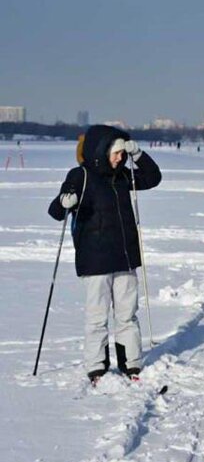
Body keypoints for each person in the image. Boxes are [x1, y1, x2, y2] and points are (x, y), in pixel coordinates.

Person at [48, 125, 162, 383]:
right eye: (117, 153)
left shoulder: (123, 176)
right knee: (97, 316)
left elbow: (153, 178)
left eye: (123, 153)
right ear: (102, 150)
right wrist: (65, 202)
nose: (120, 158)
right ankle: (97, 366)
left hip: (124, 257)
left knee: (127, 315)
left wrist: (139, 154)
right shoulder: (81, 176)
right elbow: (56, 211)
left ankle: (131, 363)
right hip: (95, 260)